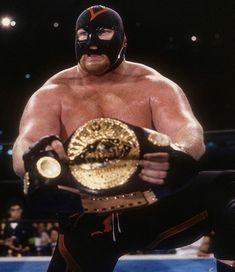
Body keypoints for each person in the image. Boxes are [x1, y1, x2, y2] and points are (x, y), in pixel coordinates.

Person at [12, 5, 235, 272]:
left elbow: (189, 131)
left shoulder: (152, 84)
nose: (91, 43)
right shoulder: (53, 93)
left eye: (103, 33)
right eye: (83, 34)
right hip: (87, 216)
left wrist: (178, 155)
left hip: (154, 203)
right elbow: (25, 144)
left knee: (229, 187)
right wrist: (36, 161)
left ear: (122, 39)